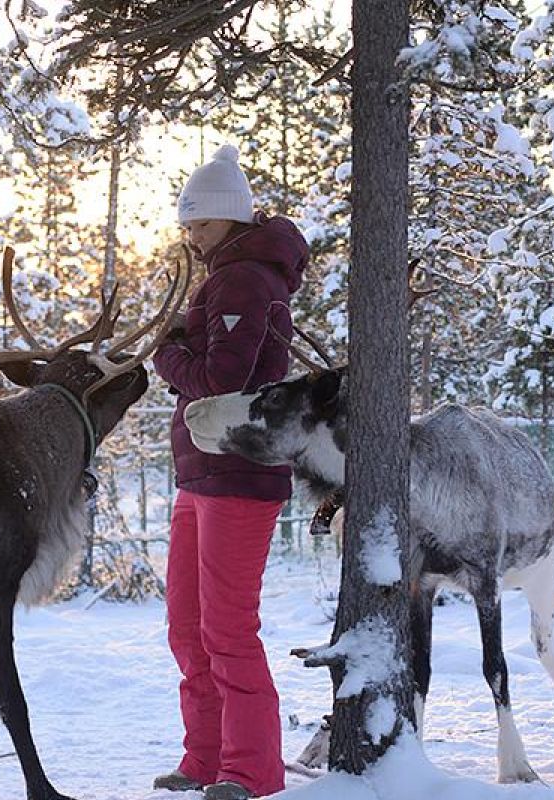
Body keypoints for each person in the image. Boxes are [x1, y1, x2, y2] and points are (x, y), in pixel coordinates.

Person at [151, 144, 309, 800]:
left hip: (239, 473)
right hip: (203, 472)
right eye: (186, 225)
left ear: (231, 220)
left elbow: (222, 379)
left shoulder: (243, 279)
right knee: (187, 627)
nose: (190, 235)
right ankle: (206, 760)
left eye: (200, 224)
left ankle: (249, 772)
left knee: (225, 628)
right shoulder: (224, 275)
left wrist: (167, 356)